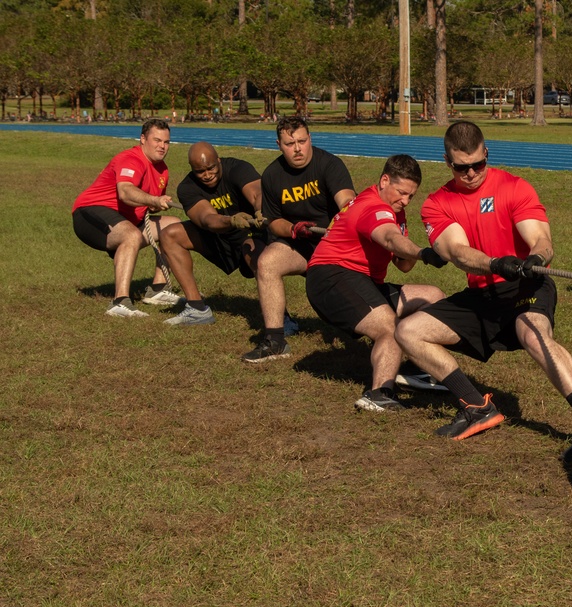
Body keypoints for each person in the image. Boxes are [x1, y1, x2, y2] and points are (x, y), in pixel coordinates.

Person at [394, 121, 572, 453]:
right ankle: (477, 407)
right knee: (408, 332)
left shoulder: (514, 187)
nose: (471, 173)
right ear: (447, 162)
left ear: (486, 153)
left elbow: (541, 239)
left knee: (534, 334)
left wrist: (536, 256)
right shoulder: (437, 203)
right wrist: (496, 263)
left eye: (478, 164)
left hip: (525, 287)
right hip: (482, 295)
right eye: (461, 167)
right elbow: (456, 251)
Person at [305, 155, 448, 411]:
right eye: (401, 192)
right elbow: (391, 240)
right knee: (389, 328)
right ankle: (379, 394)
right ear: (384, 181)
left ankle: (414, 367)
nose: (405, 201)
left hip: (362, 280)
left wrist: (420, 248)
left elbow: (402, 264)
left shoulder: (395, 211)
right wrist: (423, 253)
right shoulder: (373, 207)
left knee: (432, 296)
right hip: (332, 277)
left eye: (411, 196)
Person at [243, 116, 356, 363]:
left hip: (334, 245)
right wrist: (295, 228)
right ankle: (275, 340)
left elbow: (347, 200)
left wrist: (345, 215)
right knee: (267, 263)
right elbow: (273, 222)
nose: (297, 149)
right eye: (289, 143)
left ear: (310, 139)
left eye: (302, 141)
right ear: (278, 144)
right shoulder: (272, 174)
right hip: (299, 244)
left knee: (352, 308)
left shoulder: (329, 164)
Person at [72, 118, 182, 317]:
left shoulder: (162, 168)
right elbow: (126, 192)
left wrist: (156, 203)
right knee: (131, 235)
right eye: (157, 140)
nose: (162, 146)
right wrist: (155, 200)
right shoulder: (131, 159)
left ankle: (158, 289)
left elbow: (147, 204)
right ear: (142, 139)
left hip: (125, 220)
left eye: (166, 142)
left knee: (175, 227)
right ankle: (120, 302)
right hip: (89, 213)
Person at [160, 142, 267, 325]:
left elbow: (257, 193)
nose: (208, 175)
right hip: (218, 236)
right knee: (169, 234)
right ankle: (197, 308)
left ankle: (281, 318)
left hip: (251, 237)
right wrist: (231, 220)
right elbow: (207, 219)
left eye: (211, 168)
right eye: (200, 172)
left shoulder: (238, 168)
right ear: (192, 169)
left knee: (253, 251)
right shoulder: (187, 187)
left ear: (218, 161)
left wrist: (260, 210)